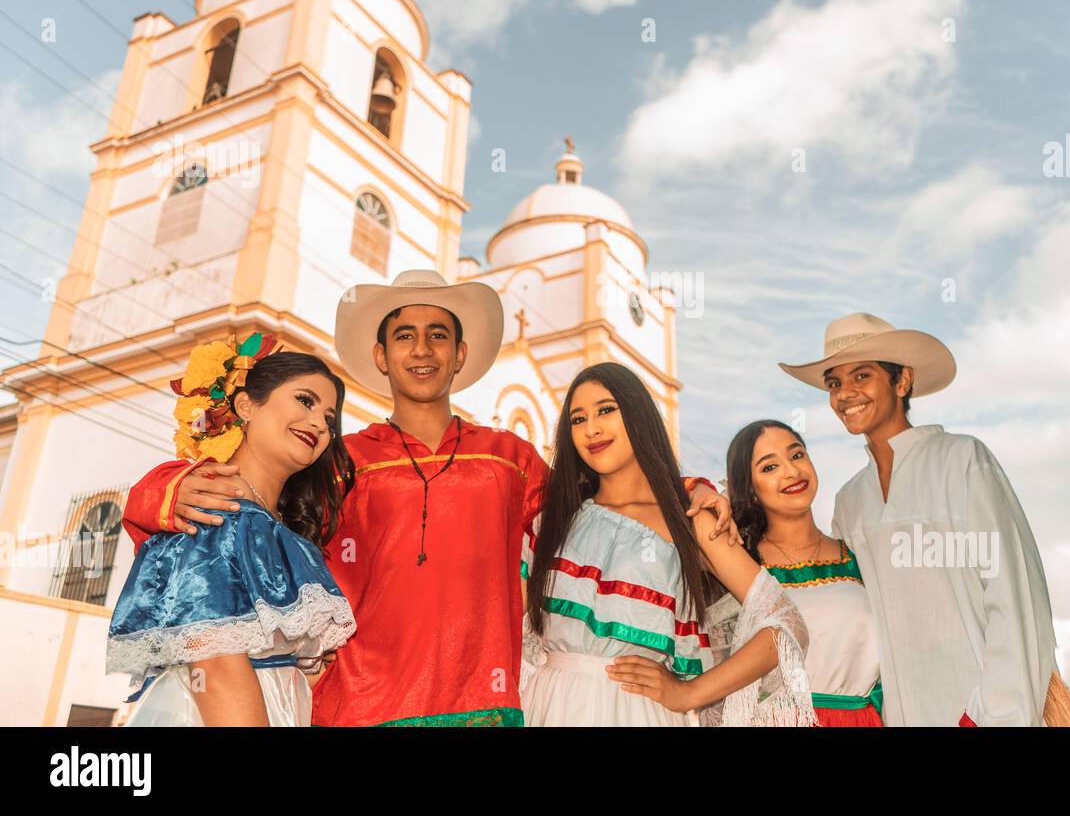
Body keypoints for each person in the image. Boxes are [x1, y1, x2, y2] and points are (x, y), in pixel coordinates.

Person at [122, 270, 735, 726]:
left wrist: (688, 490)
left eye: (438, 335)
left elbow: (600, 502)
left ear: (460, 356)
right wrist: (160, 490)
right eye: (405, 336)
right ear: (382, 356)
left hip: (483, 701)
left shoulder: (508, 457)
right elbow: (253, 500)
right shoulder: (339, 456)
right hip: (354, 702)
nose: (422, 349)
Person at [779, 312, 1070, 727]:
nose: (844, 394)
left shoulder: (962, 461)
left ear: (902, 381)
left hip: (983, 711)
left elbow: (1015, 598)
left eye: (861, 376)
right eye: (834, 383)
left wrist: (992, 716)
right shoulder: (850, 502)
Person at [521, 362, 816, 727]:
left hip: (639, 712)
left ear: (639, 414)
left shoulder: (691, 519)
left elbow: (786, 625)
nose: (591, 428)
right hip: (547, 707)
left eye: (606, 410)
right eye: (577, 419)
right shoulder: (551, 522)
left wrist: (689, 693)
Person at [107, 335, 357, 725]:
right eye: (305, 400)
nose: (318, 424)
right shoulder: (212, 508)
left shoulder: (283, 532)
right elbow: (217, 664)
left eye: (329, 419)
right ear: (245, 405)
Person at [725, 419, 883, 726]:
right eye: (769, 467)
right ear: (750, 490)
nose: (791, 471)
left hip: (859, 719)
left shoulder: (859, 555)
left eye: (797, 455)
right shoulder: (738, 563)